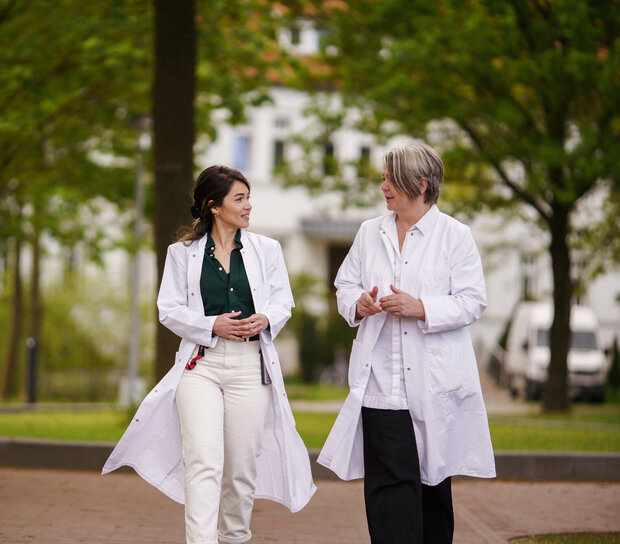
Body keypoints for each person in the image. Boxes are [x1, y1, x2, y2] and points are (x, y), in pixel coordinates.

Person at [103, 165, 316, 544]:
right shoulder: (182, 254)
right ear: (214, 206)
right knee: (203, 463)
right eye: (240, 198)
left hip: (251, 367)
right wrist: (210, 325)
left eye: (248, 197)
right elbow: (167, 309)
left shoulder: (268, 249)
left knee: (241, 469)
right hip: (200, 366)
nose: (249, 205)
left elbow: (284, 300)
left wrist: (266, 317)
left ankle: (234, 537)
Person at [318, 143, 495, 543]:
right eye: (382, 177)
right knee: (387, 492)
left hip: (434, 385)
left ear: (420, 184)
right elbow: (345, 284)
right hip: (382, 385)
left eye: (388, 178)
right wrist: (358, 304)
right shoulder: (369, 232)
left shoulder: (455, 236)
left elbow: (473, 300)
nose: (382, 186)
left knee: (433, 491)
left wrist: (422, 308)